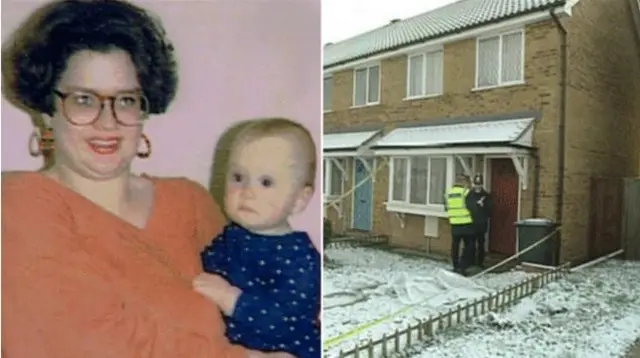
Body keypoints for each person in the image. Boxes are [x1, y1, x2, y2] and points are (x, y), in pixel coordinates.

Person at [1, 1, 293, 357]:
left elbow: (278, 299)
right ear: (47, 112)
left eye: (125, 100)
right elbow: (92, 343)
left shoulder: (189, 202)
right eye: (83, 100)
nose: (107, 123)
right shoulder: (18, 206)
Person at [193, 118, 321, 358]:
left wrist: (232, 299)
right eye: (238, 177)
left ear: (299, 200)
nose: (247, 192)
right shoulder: (231, 236)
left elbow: (286, 322)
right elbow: (200, 269)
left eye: (266, 182)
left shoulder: (300, 258)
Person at [444, 174, 475, 276]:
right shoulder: (465, 192)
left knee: (455, 246)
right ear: (464, 182)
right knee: (469, 246)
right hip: (466, 223)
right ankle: (463, 267)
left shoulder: (448, 193)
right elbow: (472, 207)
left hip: (454, 224)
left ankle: (455, 266)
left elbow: (446, 208)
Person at [467, 174, 493, 269]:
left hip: (482, 223)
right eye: (476, 183)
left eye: (479, 183)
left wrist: (483, 205)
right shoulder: (470, 194)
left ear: (482, 184)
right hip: (471, 222)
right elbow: (467, 206)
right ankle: (471, 261)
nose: (478, 185)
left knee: (481, 243)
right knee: (471, 243)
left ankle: (480, 262)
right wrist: (475, 205)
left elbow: (490, 210)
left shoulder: (486, 196)